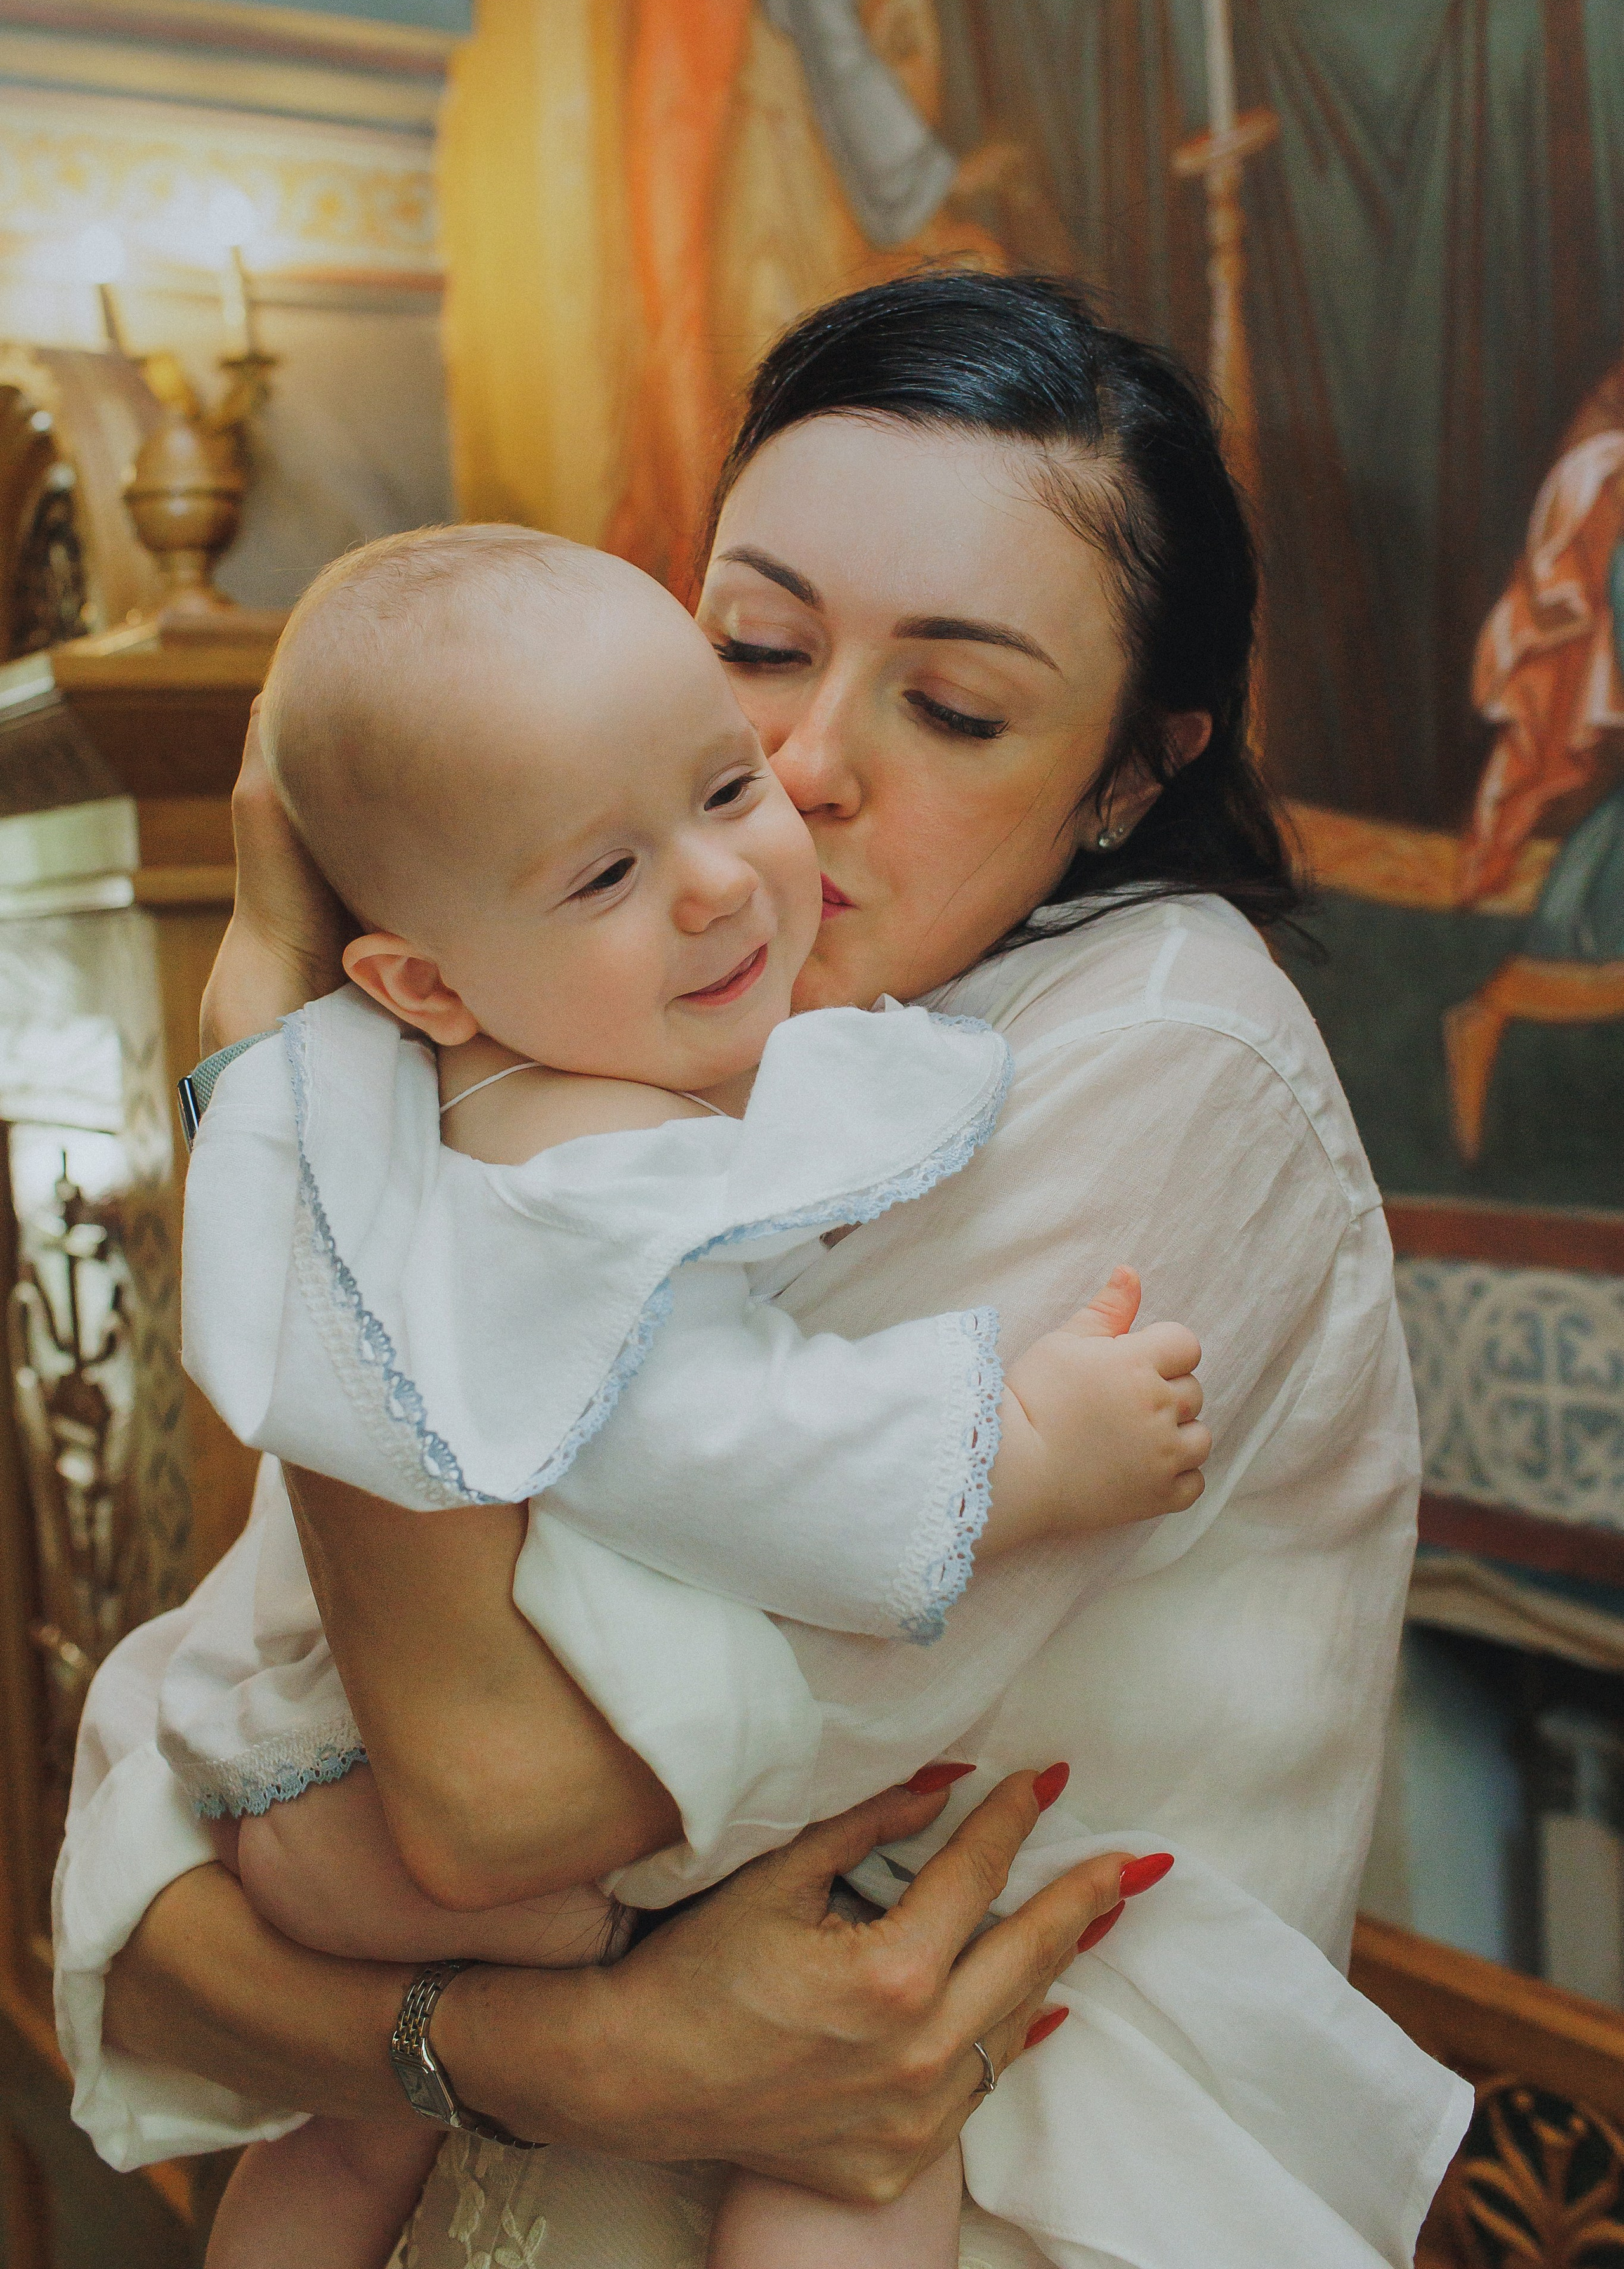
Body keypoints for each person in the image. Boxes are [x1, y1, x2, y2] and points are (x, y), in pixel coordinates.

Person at [56, 275, 1467, 2269]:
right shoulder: (635, 1034)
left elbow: (478, 1799)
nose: (798, 769)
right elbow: (199, 1761)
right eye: (755, 646)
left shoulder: (1155, 1049)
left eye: (956, 708)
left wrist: (287, 1056)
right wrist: (567, 2055)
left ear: (1133, 775)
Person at [164, 521, 1212, 2269]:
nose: (724, 880)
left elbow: (259, 1129)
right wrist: (1024, 1452)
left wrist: (269, 943)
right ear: (420, 981)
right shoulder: (586, 1178)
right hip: (389, 1807)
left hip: (297, 1775)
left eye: (725, 789)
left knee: (349, 2148)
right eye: (603, 878)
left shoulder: (444, 1072)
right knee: (861, 2148)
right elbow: (717, 1448)